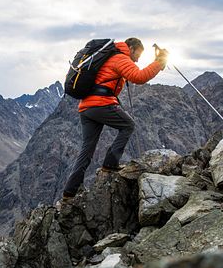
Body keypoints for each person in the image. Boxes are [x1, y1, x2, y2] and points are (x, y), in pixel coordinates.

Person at [62, 38, 168, 200]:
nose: (138, 59)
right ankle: (110, 164)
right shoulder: (120, 58)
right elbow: (139, 77)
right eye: (138, 54)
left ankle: (69, 193)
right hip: (100, 104)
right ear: (131, 48)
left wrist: (157, 63)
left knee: (87, 150)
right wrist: (159, 62)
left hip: (86, 107)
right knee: (128, 125)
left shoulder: (111, 57)